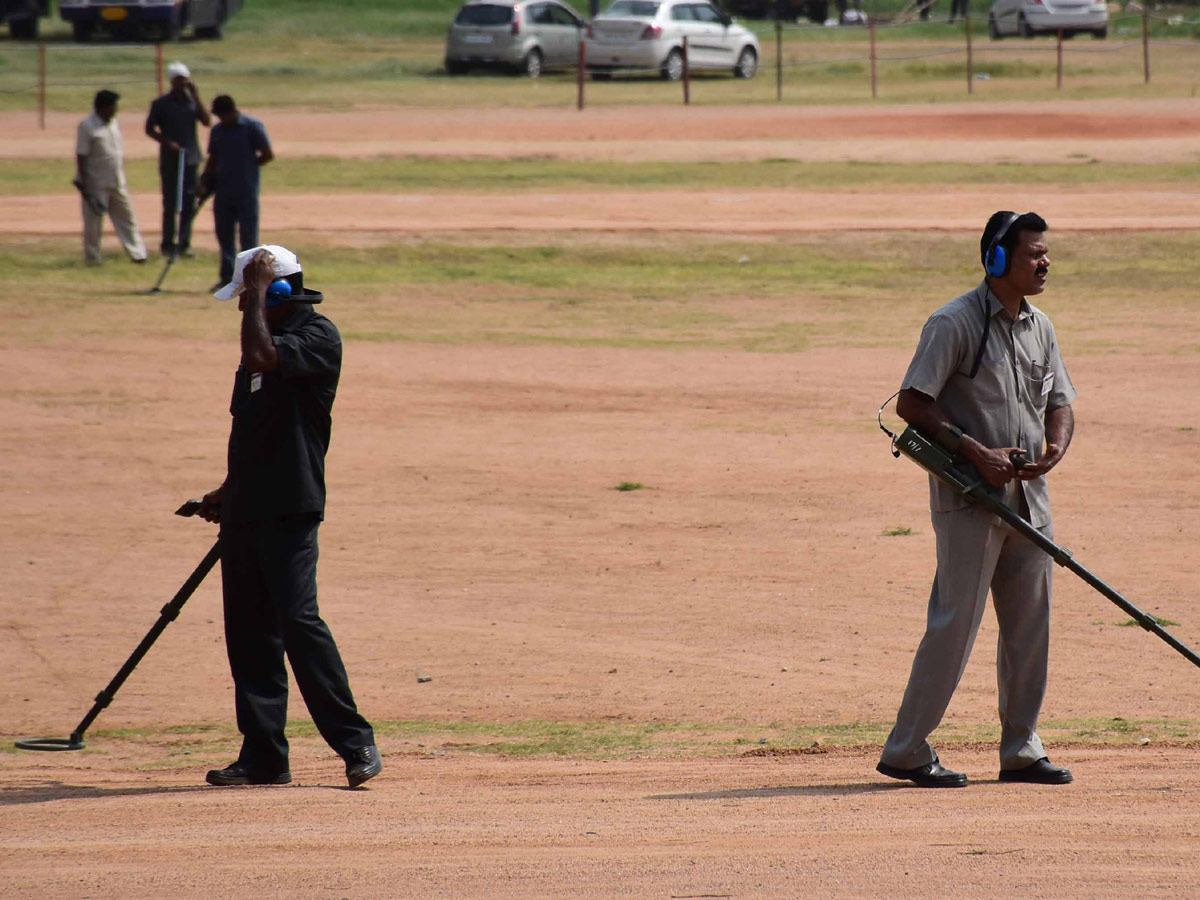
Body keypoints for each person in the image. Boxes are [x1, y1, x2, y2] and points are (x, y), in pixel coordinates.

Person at [876, 211, 1077, 788]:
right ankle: (907, 749)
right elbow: (913, 403)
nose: (1044, 262)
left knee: (1029, 627)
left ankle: (1021, 747)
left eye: (1045, 253)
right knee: (954, 624)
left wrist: (1055, 448)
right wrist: (975, 452)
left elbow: (1060, 400)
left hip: (1029, 501)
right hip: (969, 500)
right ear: (996, 259)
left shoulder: (1041, 326)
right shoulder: (954, 323)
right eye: (1033, 253)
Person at [197, 244, 381, 789]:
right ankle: (264, 757)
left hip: (291, 506)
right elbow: (254, 428)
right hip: (248, 509)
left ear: (276, 293)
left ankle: (356, 742)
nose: (239, 309)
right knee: (248, 634)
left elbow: (262, 358)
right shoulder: (261, 338)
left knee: (299, 624)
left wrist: (255, 297)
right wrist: (228, 490)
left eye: (246, 297)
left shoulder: (318, 337)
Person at [199, 95, 274, 293]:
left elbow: (267, 154)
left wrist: (249, 167)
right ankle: (227, 278)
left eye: (223, 116)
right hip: (223, 192)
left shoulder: (251, 127)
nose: (221, 120)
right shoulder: (217, 131)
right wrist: (205, 179)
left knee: (248, 238)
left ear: (232, 111)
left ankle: (250, 280)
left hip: (246, 191)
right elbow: (213, 158)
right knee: (224, 236)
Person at [145, 61, 211, 258]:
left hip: (191, 159)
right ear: (172, 81)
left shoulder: (192, 102)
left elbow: (207, 121)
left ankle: (184, 243)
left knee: (189, 202)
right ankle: (167, 244)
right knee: (170, 203)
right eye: (180, 80)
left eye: (186, 79)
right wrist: (167, 143)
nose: (184, 83)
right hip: (170, 160)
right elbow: (149, 129)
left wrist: (197, 96)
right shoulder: (161, 104)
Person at [74, 89, 147, 266]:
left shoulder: (113, 123)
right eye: (113, 106)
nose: (116, 110)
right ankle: (92, 258)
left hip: (117, 180)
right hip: (95, 182)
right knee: (93, 223)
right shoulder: (87, 126)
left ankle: (138, 254)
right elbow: (81, 155)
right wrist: (83, 183)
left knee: (127, 217)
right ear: (102, 107)